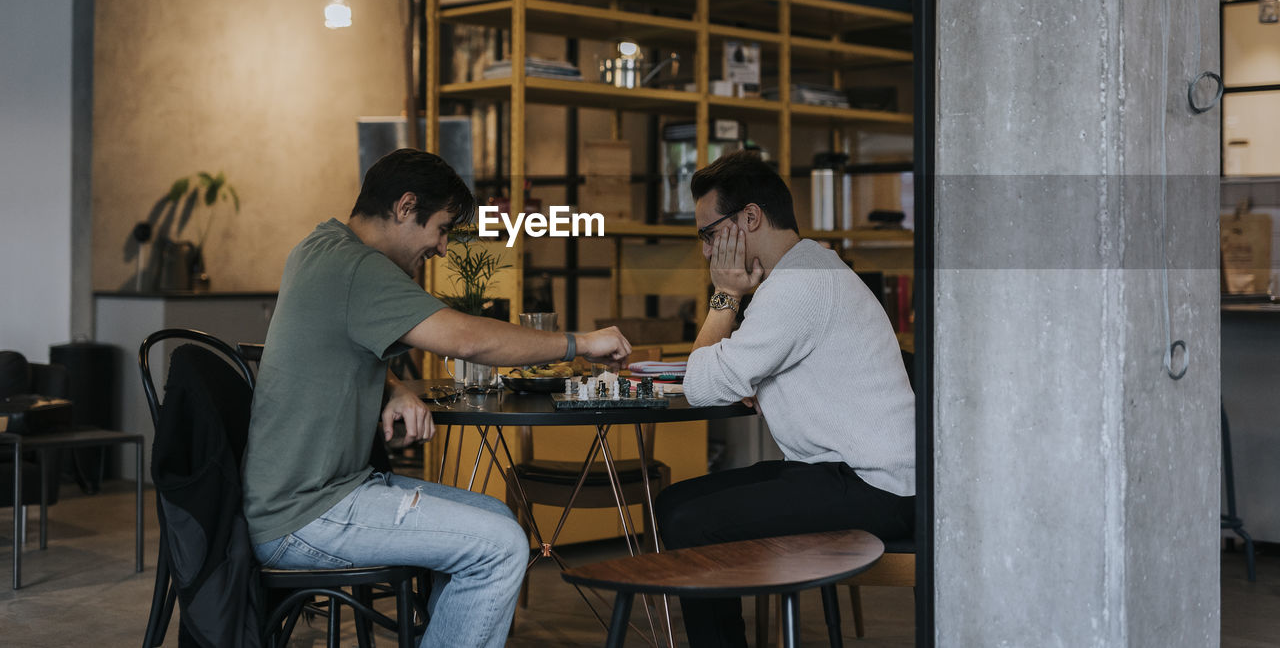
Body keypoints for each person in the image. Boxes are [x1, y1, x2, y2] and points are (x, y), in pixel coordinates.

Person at [242, 148, 631, 648]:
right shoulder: (360, 268)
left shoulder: (319, 247)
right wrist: (582, 342)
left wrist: (395, 387)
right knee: (502, 546)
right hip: (307, 515)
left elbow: (328, 344)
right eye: (443, 228)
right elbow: (469, 340)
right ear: (405, 207)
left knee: (495, 518)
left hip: (303, 497)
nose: (443, 248)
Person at [655, 149, 915, 648]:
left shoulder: (798, 283)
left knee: (691, 522)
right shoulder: (807, 269)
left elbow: (703, 386)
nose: (708, 251)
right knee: (674, 503)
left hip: (875, 486)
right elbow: (732, 374)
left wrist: (725, 295)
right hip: (843, 470)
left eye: (709, 233)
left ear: (750, 217)